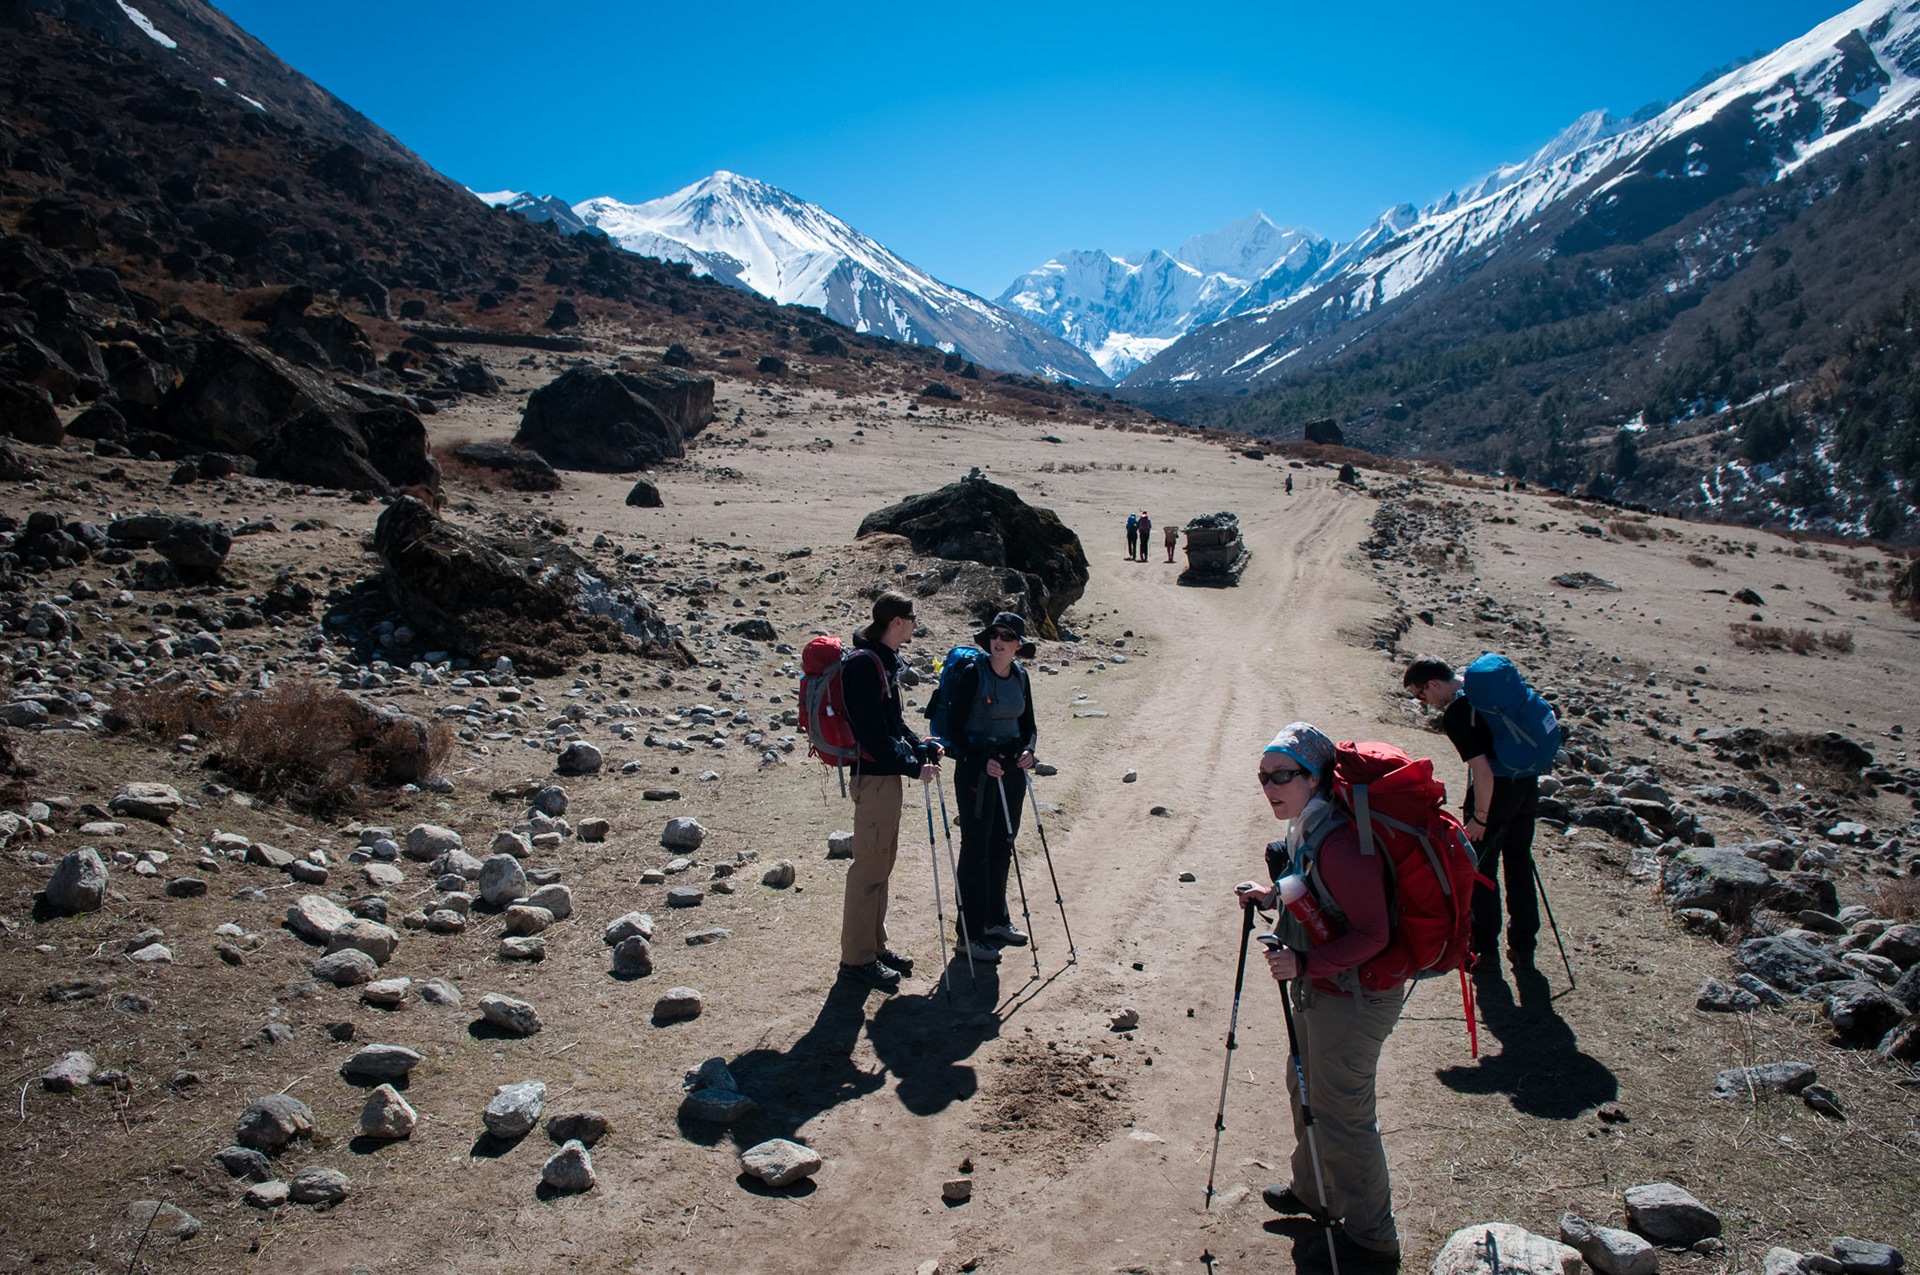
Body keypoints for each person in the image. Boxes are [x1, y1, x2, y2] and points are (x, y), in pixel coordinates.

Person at [1234, 723, 1404, 1271]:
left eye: (1283, 775)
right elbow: (1312, 897)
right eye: (1263, 777)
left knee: (1343, 1113)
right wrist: (1270, 897)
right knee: (1304, 1083)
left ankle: (1373, 1238)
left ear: (1315, 777)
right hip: (1323, 987)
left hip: (1355, 995)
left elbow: (1373, 935)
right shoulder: (1304, 828)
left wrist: (1303, 962)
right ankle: (1314, 1191)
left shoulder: (1339, 841)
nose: (1270, 786)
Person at [1403, 655, 1540, 981]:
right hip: (1527, 786)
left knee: (1480, 872)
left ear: (1433, 684)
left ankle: (1485, 954)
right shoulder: (1485, 692)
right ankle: (1524, 949)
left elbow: (1483, 772)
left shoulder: (1458, 713)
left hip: (1493, 795)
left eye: (1421, 695)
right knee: (1520, 862)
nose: (1424, 703)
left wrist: (1479, 817)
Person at [838, 591, 941, 991]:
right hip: (875, 779)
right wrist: (913, 766)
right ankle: (856, 960)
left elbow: (893, 725)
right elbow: (873, 736)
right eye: (912, 617)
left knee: (880, 866)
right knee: (868, 870)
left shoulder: (881, 661)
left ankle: (875, 947)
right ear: (896, 621)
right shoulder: (866, 666)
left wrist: (921, 747)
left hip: (885, 779)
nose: (916, 624)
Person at [943, 611, 1038, 962]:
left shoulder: (1021, 676)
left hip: (1011, 769)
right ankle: (968, 935)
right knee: (976, 850)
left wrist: (1029, 750)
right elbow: (952, 731)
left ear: (1018, 645)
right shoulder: (973, 674)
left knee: (1003, 843)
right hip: (976, 773)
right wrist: (980, 759)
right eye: (995, 634)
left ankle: (995, 921)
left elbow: (1029, 725)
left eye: (1007, 636)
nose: (998, 640)